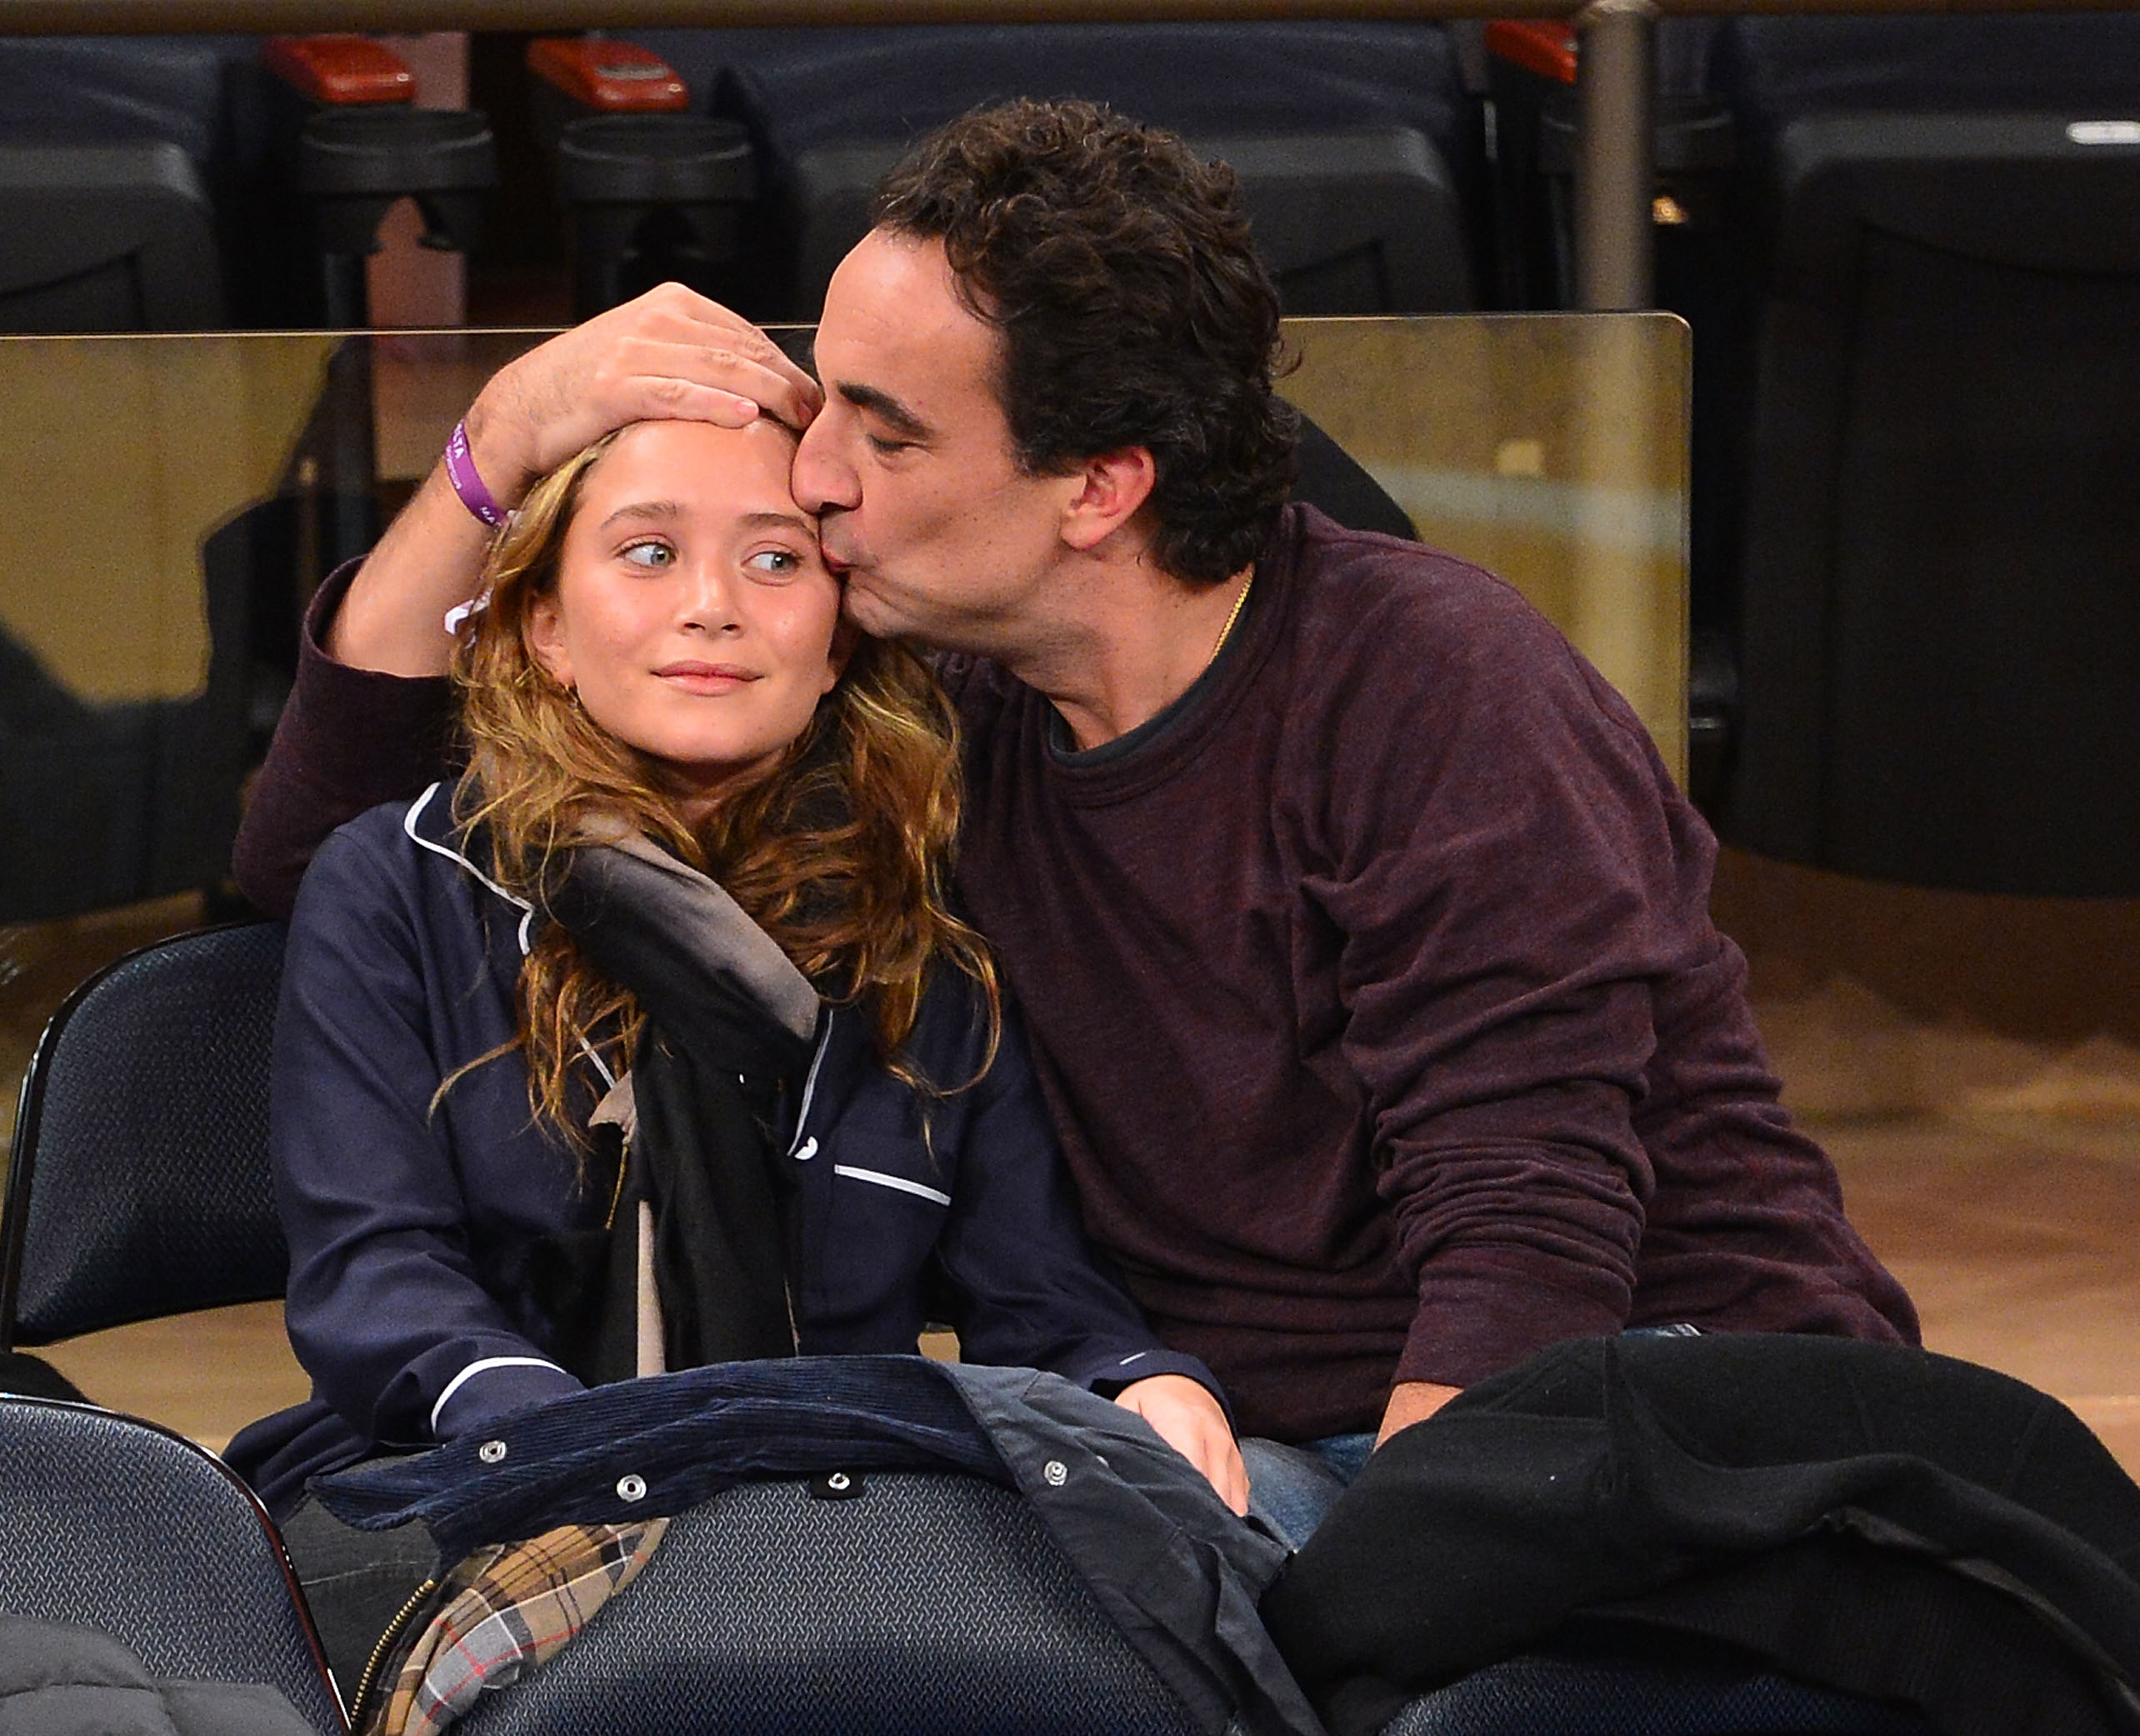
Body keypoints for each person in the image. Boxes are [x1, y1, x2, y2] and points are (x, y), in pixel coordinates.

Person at [235, 98, 1917, 1551]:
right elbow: (335, 851)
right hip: (1221, 1450)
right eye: (823, 399)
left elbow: (1526, 1252)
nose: (810, 478)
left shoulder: (1439, 689)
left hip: (1640, 1417)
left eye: (878, 433)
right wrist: (495, 449)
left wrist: (1363, 1604)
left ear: (1100, 486)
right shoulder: (945, 708)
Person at [227, 411, 1242, 1677]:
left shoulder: (923, 932)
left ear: (836, 642)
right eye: (648, 553)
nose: (714, 606)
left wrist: (1145, 1383)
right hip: (471, 1483)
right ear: (543, 627)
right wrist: (610, 1455)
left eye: (775, 562)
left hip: (835, 1507)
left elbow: (1040, 1299)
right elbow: (376, 1277)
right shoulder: (398, 883)